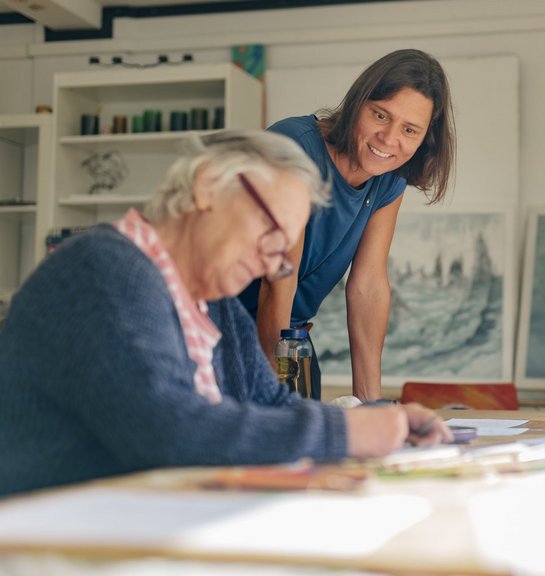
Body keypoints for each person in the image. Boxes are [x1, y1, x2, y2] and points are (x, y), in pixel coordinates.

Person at [0, 130, 451, 498]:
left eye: (283, 252)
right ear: (207, 185)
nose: (271, 263)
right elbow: (168, 432)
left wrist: (378, 422)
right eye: (272, 232)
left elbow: (271, 403)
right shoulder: (102, 268)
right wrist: (349, 434)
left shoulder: (216, 305)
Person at [238, 48, 456, 402]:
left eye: (409, 129)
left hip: (291, 341)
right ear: (358, 103)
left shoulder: (389, 179)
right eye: (381, 115)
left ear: (424, 138)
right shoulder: (294, 147)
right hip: (221, 334)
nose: (389, 139)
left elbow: (368, 285)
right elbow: (278, 280)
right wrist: (272, 395)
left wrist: (368, 404)